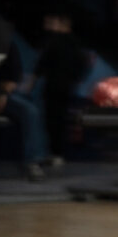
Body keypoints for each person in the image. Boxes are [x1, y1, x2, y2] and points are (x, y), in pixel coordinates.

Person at [0, 6, 50, 181]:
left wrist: (2, 94)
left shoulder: (4, 44)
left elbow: (12, 77)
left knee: (30, 111)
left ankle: (33, 162)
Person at [33, 12, 91, 163]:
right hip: (67, 87)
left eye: (53, 23)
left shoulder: (53, 41)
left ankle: (53, 152)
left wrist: (33, 79)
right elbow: (84, 64)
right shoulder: (76, 43)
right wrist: (76, 80)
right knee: (61, 119)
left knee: (52, 120)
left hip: (54, 86)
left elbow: (42, 63)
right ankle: (58, 153)